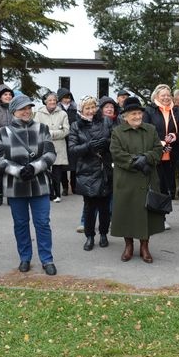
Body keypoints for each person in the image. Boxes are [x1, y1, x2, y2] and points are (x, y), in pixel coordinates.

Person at [0, 94, 57, 275]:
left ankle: (47, 259)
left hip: (39, 184)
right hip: (15, 185)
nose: (26, 111)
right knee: (20, 224)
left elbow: (51, 154)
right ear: (14, 111)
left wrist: (35, 167)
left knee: (43, 223)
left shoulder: (42, 128)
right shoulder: (3, 132)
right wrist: (17, 170)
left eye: (29, 108)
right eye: (22, 108)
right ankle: (25, 257)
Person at [110, 97, 164, 263]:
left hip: (148, 178)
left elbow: (158, 150)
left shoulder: (151, 129)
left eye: (139, 113)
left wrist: (146, 158)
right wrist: (135, 162)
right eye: (133, 113)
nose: (137, 116)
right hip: (126, 180)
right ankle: (128, 246)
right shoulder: (117, 132)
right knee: (127, 213)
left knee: (146, 214)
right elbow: (116, 153)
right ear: (125, 116)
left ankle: (144, 247)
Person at [68, 95, 113, 251]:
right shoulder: (76, 126)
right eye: (87, 108)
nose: (91, 110)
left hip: (104, 169)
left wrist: (106, 143)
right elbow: (72, 150)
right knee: (89, 207)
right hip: (87, 171)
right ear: (81, 110)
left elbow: (115, 141)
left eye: (93, 107)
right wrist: (88, 146)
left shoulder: (106, 121)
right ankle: (89, 236)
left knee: (105, 207)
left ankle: (103, 234)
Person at [143, 84, 179, 209]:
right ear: (156, 96)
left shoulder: (177, 111)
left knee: (168, 188)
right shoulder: (149, 110)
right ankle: (156, 216)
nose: (166, 98)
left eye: (168, 95)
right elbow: (145, 132)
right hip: (155, 154)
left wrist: (175, 136)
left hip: (172, 154)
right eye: (163, 95)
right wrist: (160, 144)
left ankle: (163, 215)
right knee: (156, 186)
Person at [33, 92, 70, 203]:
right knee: (46, 172)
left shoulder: (63, 113)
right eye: (50, 100)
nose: (52, 102)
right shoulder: (39, 113)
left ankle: (57, 194)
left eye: (54, 100)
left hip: (59, 148)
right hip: (44, 147)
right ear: (45, 101)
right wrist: (54, 133)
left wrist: (51, 133)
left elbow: (66, 131)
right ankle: (48, 193)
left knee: (57, 174)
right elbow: (37, 130)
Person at [57, 87, 78, 197]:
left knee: (74, 165)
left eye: (69, 97)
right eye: (65, 97)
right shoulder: (57, 110)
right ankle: (65, 187)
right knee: (62, 165)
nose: (67, 99)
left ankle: (74, 186)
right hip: (61, 139)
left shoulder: (75, 109)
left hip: (73, 139)